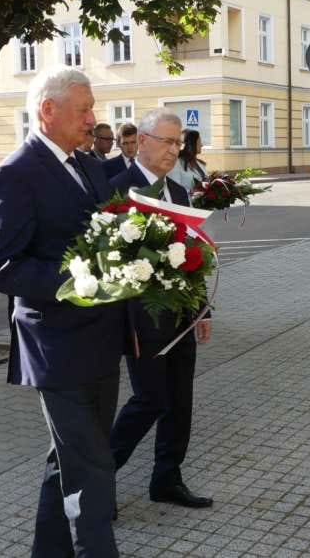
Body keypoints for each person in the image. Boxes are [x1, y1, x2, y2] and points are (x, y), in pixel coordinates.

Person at [0, 67, 127, 557]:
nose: (93, 120)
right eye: (84, 110)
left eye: (92, 109)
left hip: (100, 339)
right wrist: (76, 282)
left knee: (69, 460)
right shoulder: (16, 172)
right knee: (92, 466)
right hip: (55, 346)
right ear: (48, 110)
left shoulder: (87, 165)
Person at [109, 109, 213, 510]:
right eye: (168, 142)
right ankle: (101, 476)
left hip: (181, 315)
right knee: (149, 400)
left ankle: (167, 478)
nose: (175, 150)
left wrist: (202, 309)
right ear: (144, 140)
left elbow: (193, 253)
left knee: (179, 401)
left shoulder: (180, 192)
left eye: (179, 143)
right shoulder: (118, 188)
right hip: (141, 317)